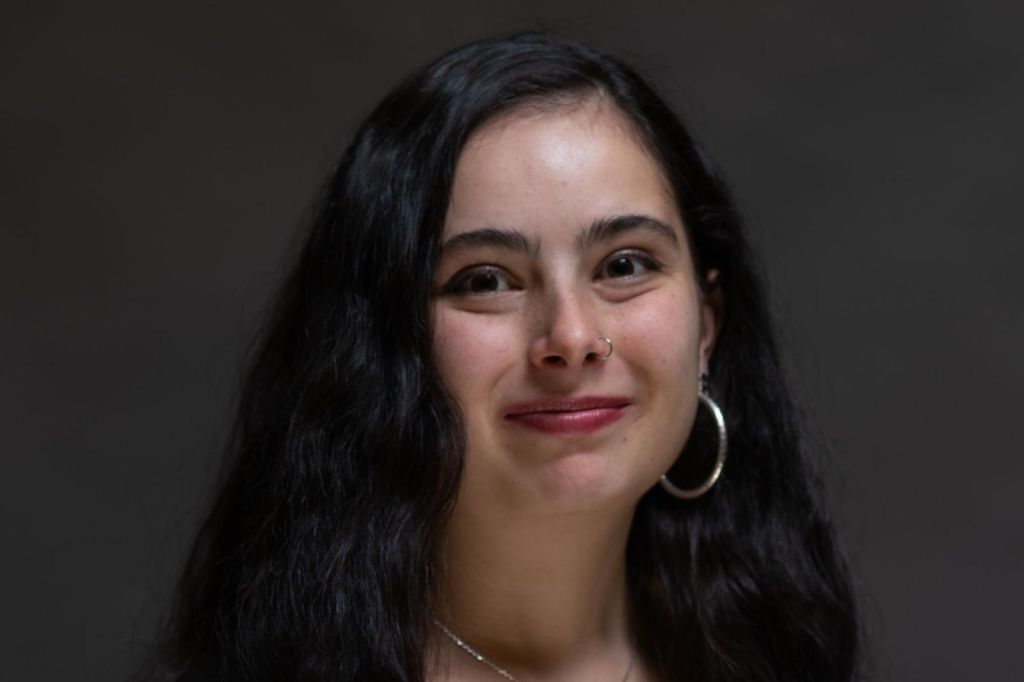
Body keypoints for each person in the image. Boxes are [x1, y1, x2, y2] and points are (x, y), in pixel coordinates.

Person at [141, 32, 861, 682]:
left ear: (707, 324)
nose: (571, 338)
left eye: (625, 265)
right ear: (375, 345)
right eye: (485, 280)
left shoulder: (780, 660)